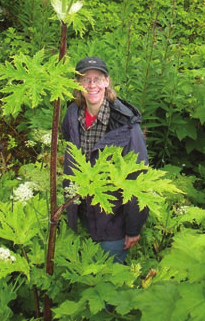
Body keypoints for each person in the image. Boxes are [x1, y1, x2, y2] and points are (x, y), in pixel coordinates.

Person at [62, 56, 149, 264]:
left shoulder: (126, 126)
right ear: (77, 85)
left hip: (113, 224)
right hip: (82, 215)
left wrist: (133, 228)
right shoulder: (72, 115)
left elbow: (138, 181)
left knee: (111, 285)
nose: (92, 85)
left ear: (107, 82)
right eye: (86, 80)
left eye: (98, 79)